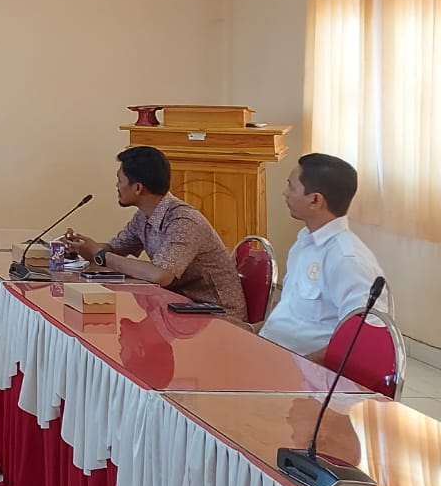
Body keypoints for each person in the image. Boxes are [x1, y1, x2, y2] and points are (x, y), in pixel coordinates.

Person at [62, 146, 247, 322]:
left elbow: (160, 275)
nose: (116, 186)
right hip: (179, 309)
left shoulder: (184, 221)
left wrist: (100, 254)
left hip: (217, 317)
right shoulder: (143, 216)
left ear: (138, 188)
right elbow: (114, 249)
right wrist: (83, 246)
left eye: (120, 180)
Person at [259, 154, 390, 362]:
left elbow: (362, 339)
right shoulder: (304, 241)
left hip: (306, 371)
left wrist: (303, 368)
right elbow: (291, 312)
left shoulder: (347, 259)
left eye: (291, 187)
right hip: (271, 353)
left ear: (315, 200)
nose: (285, 193)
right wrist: (252, 330)